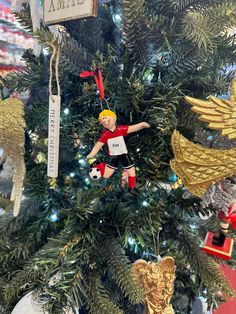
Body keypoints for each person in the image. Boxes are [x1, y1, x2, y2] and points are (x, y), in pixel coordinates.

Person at [87, 109, 150, 195]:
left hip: (124, 155)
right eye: (102, 120)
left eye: (106, 117)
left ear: (113, 118)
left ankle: (131, 188)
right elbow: (98, 145)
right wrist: (92, 154)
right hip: (114, 157)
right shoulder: (105, 134)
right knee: (106, 175)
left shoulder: (120, 129)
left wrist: (142, 125)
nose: (105, 121)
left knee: (132, 171)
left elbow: (133, 128)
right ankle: (99, 163)